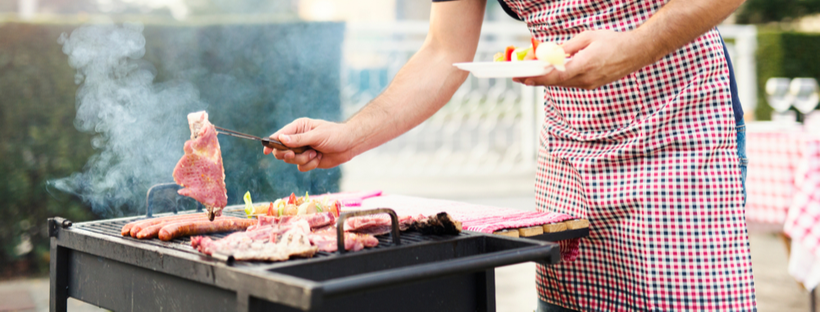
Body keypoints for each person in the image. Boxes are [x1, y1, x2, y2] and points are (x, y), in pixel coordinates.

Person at [264, 0, 756, 310]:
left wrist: (632, 47)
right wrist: (350, 135)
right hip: (571, 148)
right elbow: (444, 49)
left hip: (680, 132)